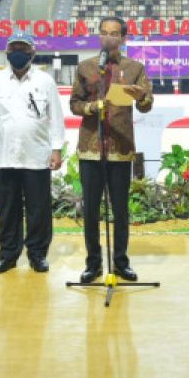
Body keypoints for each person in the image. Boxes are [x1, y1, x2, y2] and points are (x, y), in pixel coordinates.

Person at [69, 16, 154, 285]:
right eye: (104, 33)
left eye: (115, 34)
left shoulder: (135, 68)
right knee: (92, 210)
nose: (109, 38)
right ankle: (93, 264)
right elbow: (74, 103)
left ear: (123, 38)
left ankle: (120, 262)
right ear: (99, 36)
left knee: (120, 210)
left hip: (120, 147)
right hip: (91, 148)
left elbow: (146, 104)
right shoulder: (86, 67)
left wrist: (141, 97)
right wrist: (91, 107)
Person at [0, 32, 64, 274]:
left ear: (33, 52)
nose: (18, 53)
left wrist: (57, 148)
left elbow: (56, 117)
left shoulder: (45, 81)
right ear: (6, 52)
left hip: (36, 155)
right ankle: (8, 254)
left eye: (23, 48)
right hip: (4, 155)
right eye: (14, 48)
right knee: (7, 208)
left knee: (39, 209)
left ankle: (37, 254)